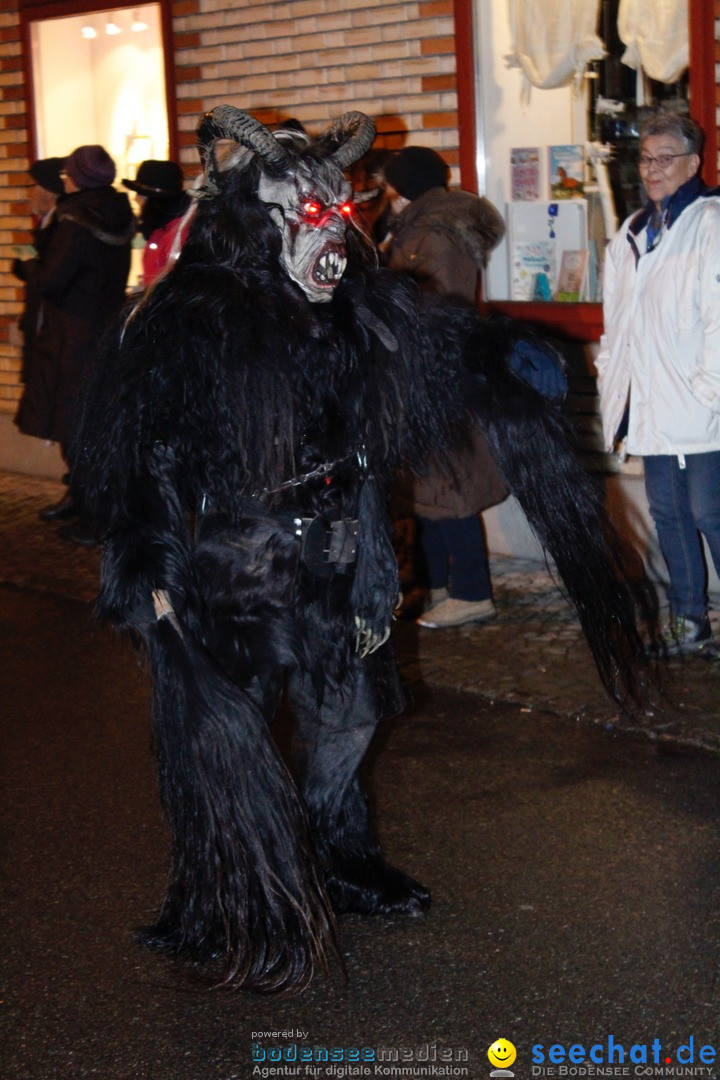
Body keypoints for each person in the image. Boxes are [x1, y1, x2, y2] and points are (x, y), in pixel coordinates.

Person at [73, 105, 647, 994]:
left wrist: (507, 355)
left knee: (351, 712)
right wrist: (149, 569)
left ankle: (342, 856)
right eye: (303, 213)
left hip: (348, 555)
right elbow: (149, 453)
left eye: (333, 210)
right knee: (240, 725)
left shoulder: (358, 307)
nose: (326, 232)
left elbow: (434, 338)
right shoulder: (187, 318)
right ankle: (226, 888)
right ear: (250, 220)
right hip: (243, 568)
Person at [596, 110, 720, 656]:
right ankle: (689, 620)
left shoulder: (711, 223)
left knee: (710, 513)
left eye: (665, 158)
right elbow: (617, 323)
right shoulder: (631, 233)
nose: (652, 169)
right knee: (668, 514)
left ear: (693, 163)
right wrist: (613, 386)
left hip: (700, 406)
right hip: (649, 404)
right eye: (646, 158)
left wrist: (708, 391)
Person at [381, 145, 507, 628]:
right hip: (426, 368)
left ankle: (472, 591)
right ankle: (434, 586)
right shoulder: (422, 224)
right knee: (424, 484)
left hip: (435, 370)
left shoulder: (432, 232)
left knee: (447, 483)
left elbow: (429, 305)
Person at [13, 145, 135, 543]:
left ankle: (94, 517)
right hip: (103, 328)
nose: (63, 178)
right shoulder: (120, 212)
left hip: (72, 335)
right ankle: (82, 501)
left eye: (67, 173)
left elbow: (51, 280)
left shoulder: (74, 219)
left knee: (78, 425)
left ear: (77, 177)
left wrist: (28, 260)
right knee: (87, 423)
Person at [12, 158, 65, 463]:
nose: (28, 193)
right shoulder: (48, 221)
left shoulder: (62, 224)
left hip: (54, 327)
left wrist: (29, 263)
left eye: (33, 186)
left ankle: (77, 487)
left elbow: (50, 276)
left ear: (47, 190)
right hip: (43, 323)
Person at [122, 159, 192, 287]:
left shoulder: (178, 233)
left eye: (141, 195)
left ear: (155, 201)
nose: (136, 199)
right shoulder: (158, 230)